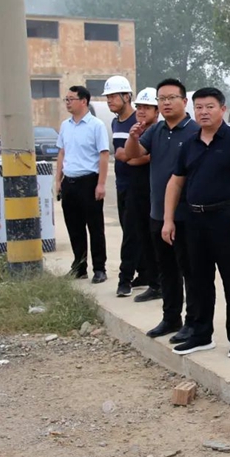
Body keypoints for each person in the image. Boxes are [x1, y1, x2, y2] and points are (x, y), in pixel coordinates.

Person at [161, 87, 230, 357]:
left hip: (226, 219)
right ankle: (201, 334)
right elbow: (175, 182)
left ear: (223, 109)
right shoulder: (189, 144)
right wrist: (168, 219)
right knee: (198, 280)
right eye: (199, 107)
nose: (204, 112)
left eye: (210, 106)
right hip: (194, 220)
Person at [125, 78, 199, 343]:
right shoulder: (155, 131)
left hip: (187, 215)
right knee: (166, 270)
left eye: (171, 98)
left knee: (190, 271)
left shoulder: (195, 131)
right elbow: (133, 155)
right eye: (162, 99)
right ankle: (170, 318)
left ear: (184, 101)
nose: (166, 103)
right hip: (158, 212)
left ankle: (193, 323)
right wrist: (133, 137)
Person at [55, 85, 110, 283]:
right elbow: (62, 152)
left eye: (71, 99)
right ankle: (79, 267)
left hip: (89, 182)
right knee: (74, 227)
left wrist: (101, 184)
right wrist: (58, 180)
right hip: (69, 182)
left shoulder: (96, 125)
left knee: (95, 227)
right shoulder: (65, 125)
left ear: (84, 101)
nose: (68, 103)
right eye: (66, 99)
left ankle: (99, 269)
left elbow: (104, 154)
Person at [103, 76, 146, 297]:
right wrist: (123, 157)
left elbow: (145, 154)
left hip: (138, 185)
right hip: (121, 184)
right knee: (131, 230)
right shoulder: (115, 122)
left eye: (113, 96)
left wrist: (126, 157)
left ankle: (125, 279)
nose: (109, 100)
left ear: (127, 96)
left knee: (131, 234)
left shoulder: (138, 121)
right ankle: (145, 273)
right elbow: (120, 154)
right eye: (108, 97)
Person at [121, 87, 162, 303]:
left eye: (147, 107)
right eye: (139, 107)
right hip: (136, 191)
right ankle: (149, 281)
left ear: (157, 111)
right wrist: (131, 154)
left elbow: (138, 158)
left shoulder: (160, 132)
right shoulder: (137, 131)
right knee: (139, 236)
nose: (142, 111)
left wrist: (132, 157)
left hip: (155, 193)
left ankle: (162, 283)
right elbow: (128, 155)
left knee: (158, 241)